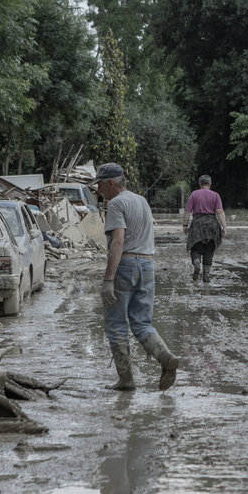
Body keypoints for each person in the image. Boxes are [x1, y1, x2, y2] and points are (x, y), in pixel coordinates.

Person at [93, 162, 179, 391]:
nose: (99, 190)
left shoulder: (116, 204)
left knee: (116, 324)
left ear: (111, 182)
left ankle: (126, 379)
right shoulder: (141, 201)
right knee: (141, 322)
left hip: (126, 265)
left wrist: (108, 279)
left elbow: (118, 242)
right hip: (148, 264)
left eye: (100, 184)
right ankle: (165, 357)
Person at [182, 174, 227, 283]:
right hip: (212, 224)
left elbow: (187, 212)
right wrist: (224, 226)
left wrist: (185, 225)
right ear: (210, 184)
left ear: (200, 184)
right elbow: (220, 212)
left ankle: (196, 262)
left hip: (197, 223)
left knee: (195, 247)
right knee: (209, 250)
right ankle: (206, 274)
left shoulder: (194, 194)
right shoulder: (215, 195)